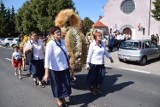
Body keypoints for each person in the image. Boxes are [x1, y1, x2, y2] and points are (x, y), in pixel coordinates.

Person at [43, 26, 71, 107]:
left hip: (64, 68)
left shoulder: (63, 42)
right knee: (57, 85)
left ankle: (63, 97)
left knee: (65, 84)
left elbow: (65, 54)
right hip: (55, 69)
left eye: (59, 32)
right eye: (57, 32)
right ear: (52, 34)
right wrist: (46, 73)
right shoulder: (50, 44)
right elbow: (47, 59)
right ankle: (59, 99)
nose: (59, 33)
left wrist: (69, 64)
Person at [86, 31, 114, 95]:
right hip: (94, 64)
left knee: (100, 77)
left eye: (101, 36)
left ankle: (97, 88)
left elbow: (105, 51)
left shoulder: (102, 44)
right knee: (94, 77)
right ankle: (94, 89)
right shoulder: (92, 45)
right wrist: (87, 63)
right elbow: (89, 55)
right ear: (95, 37)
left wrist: (110, 58)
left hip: (101, 64)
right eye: (99, 36)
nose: (101, 37)